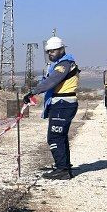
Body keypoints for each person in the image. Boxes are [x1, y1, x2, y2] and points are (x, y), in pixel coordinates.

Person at [24, 36, 79, 180]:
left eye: (53, 51)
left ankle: (62, 170)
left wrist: (33, 92)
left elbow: (52, 81)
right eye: (48, 52)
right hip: (61, 103)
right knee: (60, 136)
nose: (50, 54)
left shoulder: (64, 64)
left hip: (63, 103)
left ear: (62, 49)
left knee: (54, 137)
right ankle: (64, 166)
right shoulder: (61, 63)